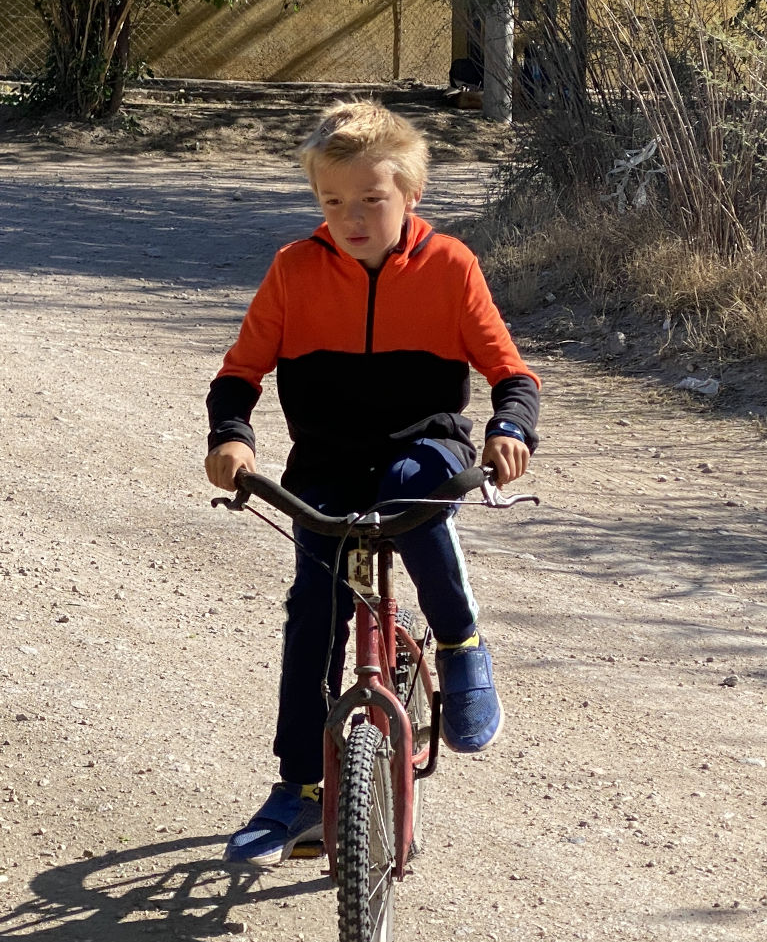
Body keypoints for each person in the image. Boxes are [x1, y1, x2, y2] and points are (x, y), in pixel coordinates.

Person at [204, 100, 541, 865]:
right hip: (324, 462)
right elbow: (239, 373)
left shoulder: (450, 267)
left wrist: (508, 430)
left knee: (413, 491)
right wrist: (232, 437)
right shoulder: (294, 271)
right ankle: (300, 790)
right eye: (332, 202)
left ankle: (460, 642)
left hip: (419, 444)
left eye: (370, 201)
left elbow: (511, 374)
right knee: (312, 609)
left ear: (411, 196)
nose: (350, 218)